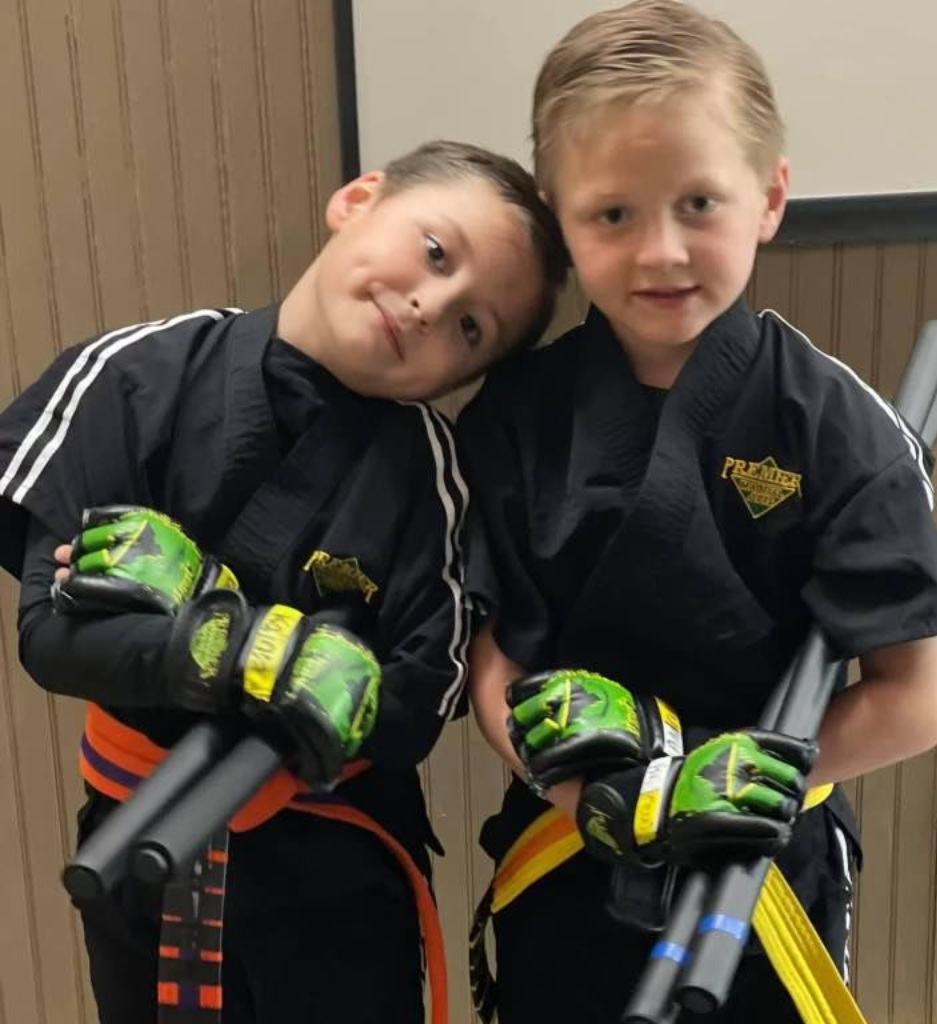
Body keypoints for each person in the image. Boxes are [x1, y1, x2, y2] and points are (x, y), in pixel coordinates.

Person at [457, 4, 937, 1022]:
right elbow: (490, 658)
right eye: (612, 215)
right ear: (559, 215)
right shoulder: (514, 416)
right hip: (573, 841)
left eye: (699, 202)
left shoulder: (833, 424)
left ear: (770, 198)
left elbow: (914, 698)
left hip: (763, 859)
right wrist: (591, 797)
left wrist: (730, 781)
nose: (660, 251)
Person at [0, 139, 567, 1024]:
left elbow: (416, 705)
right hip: (135, 847)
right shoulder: (136, 376)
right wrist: (224, 647)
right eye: (434, 251)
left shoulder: (434, 482)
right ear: (359, 198)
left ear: (464, 377)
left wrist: (315, 671)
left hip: (334, 883)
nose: (429, 304)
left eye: (470, 328)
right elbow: (48, 630)